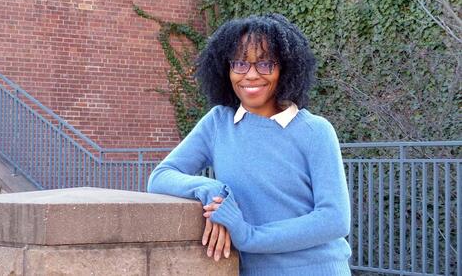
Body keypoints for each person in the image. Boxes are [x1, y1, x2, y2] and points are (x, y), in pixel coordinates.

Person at [147, 14, 352, 276]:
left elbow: (333, 220)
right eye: (240, 63)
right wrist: (212, 190)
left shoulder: (315, 131)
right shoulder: (218, 123)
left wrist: (249, 236)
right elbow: (160, 177)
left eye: (265, 64)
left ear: (285, 69)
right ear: (226, 69)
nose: (251, 75)